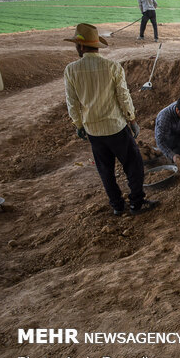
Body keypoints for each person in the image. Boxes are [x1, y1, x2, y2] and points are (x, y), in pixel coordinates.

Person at [64, 23, 158, 216]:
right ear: (96, 45)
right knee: (133, 165)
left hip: (93, 131)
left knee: (105, 171)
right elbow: (123, 96)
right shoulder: (112, 67)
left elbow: (72, 102)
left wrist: (78, 124)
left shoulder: (71, 70)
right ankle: (136, 204)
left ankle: (117, 206)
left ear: (81, 46)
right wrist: (132, 120)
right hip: (116, 127)